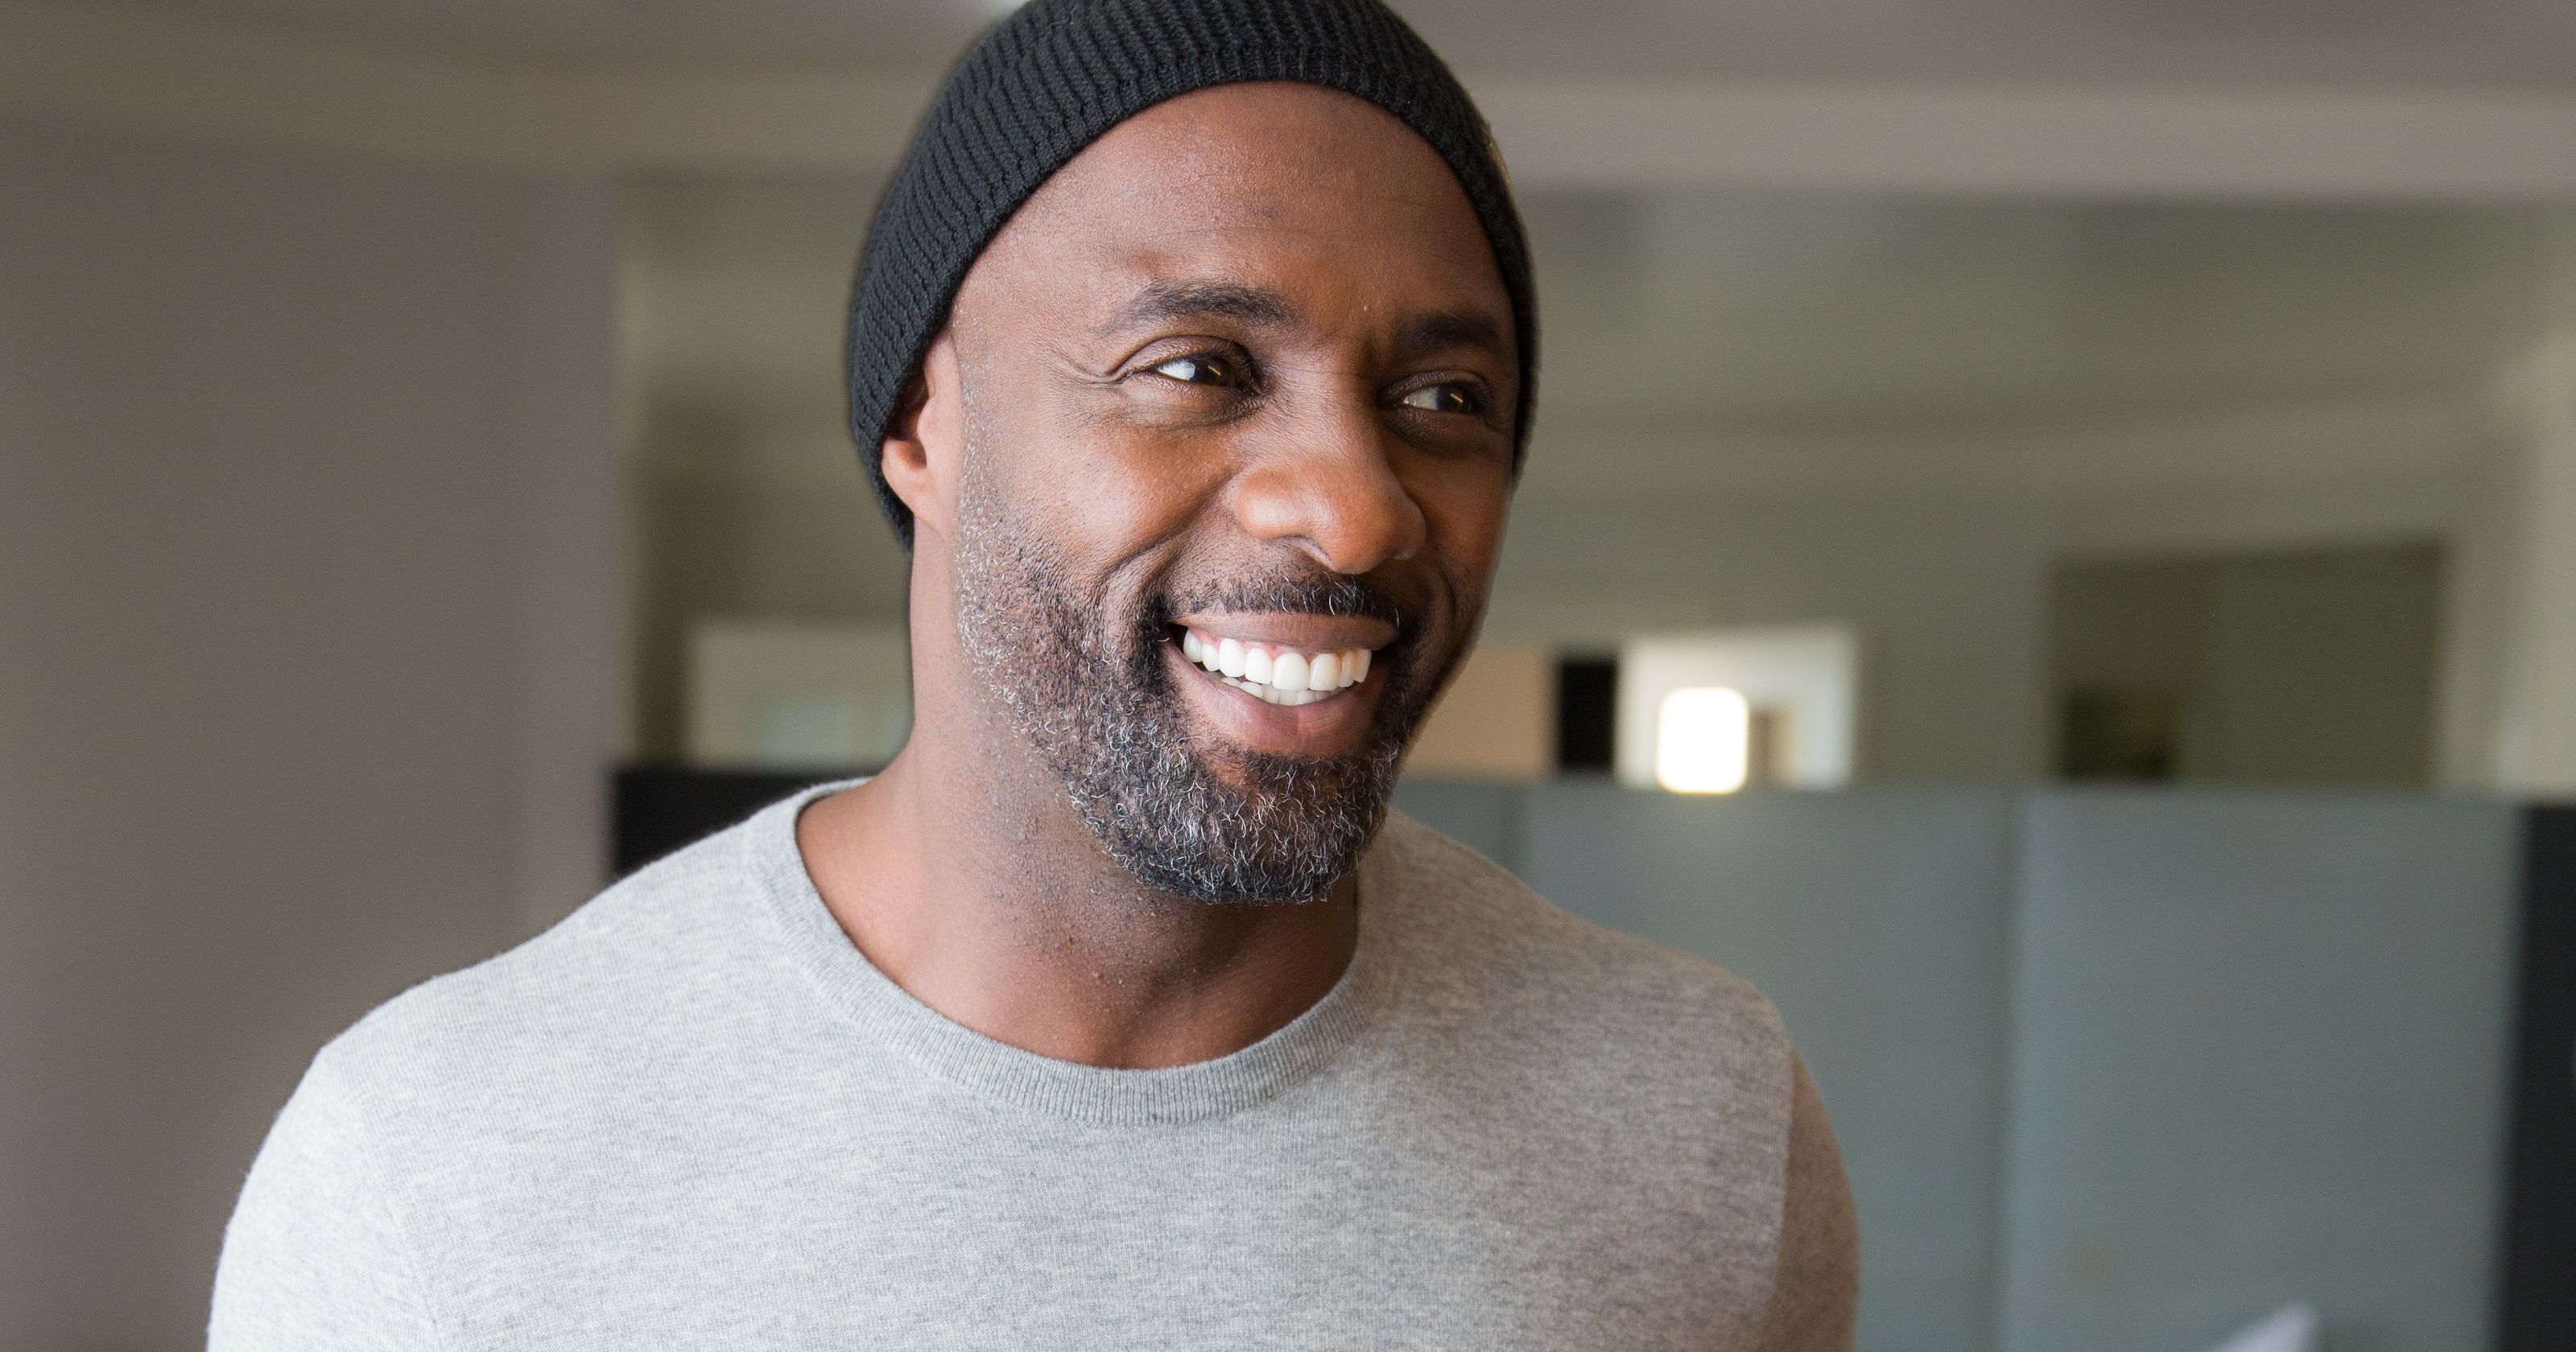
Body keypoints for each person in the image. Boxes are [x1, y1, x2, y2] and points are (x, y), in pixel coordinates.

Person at [209, 0, 1858, 1346]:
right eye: (1196, 367)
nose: (1356, 510)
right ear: (920, 423)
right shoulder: (437, 1166)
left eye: (1443, 401)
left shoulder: (1698, 1118)